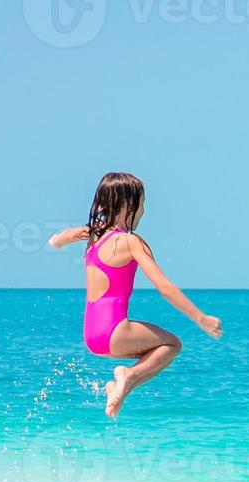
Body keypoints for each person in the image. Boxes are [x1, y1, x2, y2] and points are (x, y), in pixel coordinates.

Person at [48, 171, 223, 417]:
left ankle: (119, 388)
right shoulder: (131, 242)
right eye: (142, 204)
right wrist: (200, 318)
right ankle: (127, 376)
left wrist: (58, 240)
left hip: (92, 337)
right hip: (116, 331)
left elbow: (60, 239)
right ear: (129, 205)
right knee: (172, 344)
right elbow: (164, 286)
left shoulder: (94, 235)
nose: (143, 211)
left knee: (150, 355)